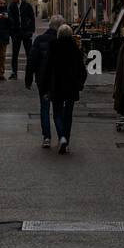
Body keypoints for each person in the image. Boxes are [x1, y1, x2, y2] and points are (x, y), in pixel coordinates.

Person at [40, 24, 88, 155]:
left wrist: (45, 87)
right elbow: (83, 71)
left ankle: (61, 137)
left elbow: (47, 68)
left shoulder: (53, 46)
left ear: (58, 34)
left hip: (57, 86)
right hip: (71, 87)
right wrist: (79, 85)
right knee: (68, 114)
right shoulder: (75, 48)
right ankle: (66, 140)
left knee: (57, 113)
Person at [25, 14, 64, 148]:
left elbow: (32, 61)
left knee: (45, 109)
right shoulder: (63, 42)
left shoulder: (40, 40)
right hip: (59, 82)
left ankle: (46, 137)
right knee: (58, 111)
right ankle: (62, 137)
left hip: (43, 81)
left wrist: (28, 79)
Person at [9, 0, 36, 78]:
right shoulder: (11, 6)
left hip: (26, 32)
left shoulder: (27, 5)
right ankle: (14, 72)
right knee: (15, 54)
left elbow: (32, 18)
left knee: (29, 53)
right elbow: (10, 19)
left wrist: (31, 31)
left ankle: (30, 72)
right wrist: (12, 32)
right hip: (16, 33)